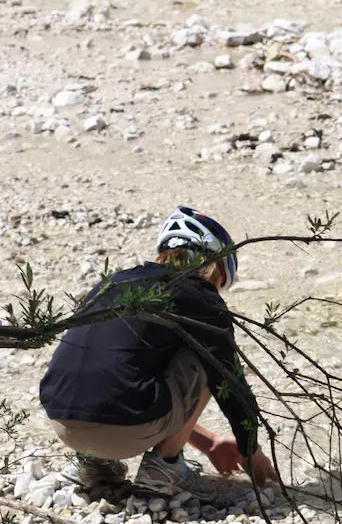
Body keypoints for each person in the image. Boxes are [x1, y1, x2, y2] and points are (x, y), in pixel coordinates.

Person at [39, 206, 277, 500]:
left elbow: (122, 377)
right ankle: (165, 467)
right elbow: (229, 382)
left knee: (109, 357)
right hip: (125, 430)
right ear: (214, 266)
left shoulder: (111, 283)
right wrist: (250, 450)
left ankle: (93, 464)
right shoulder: (199, 295)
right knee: (207, 358)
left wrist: (210, 442)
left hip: (63, 424)